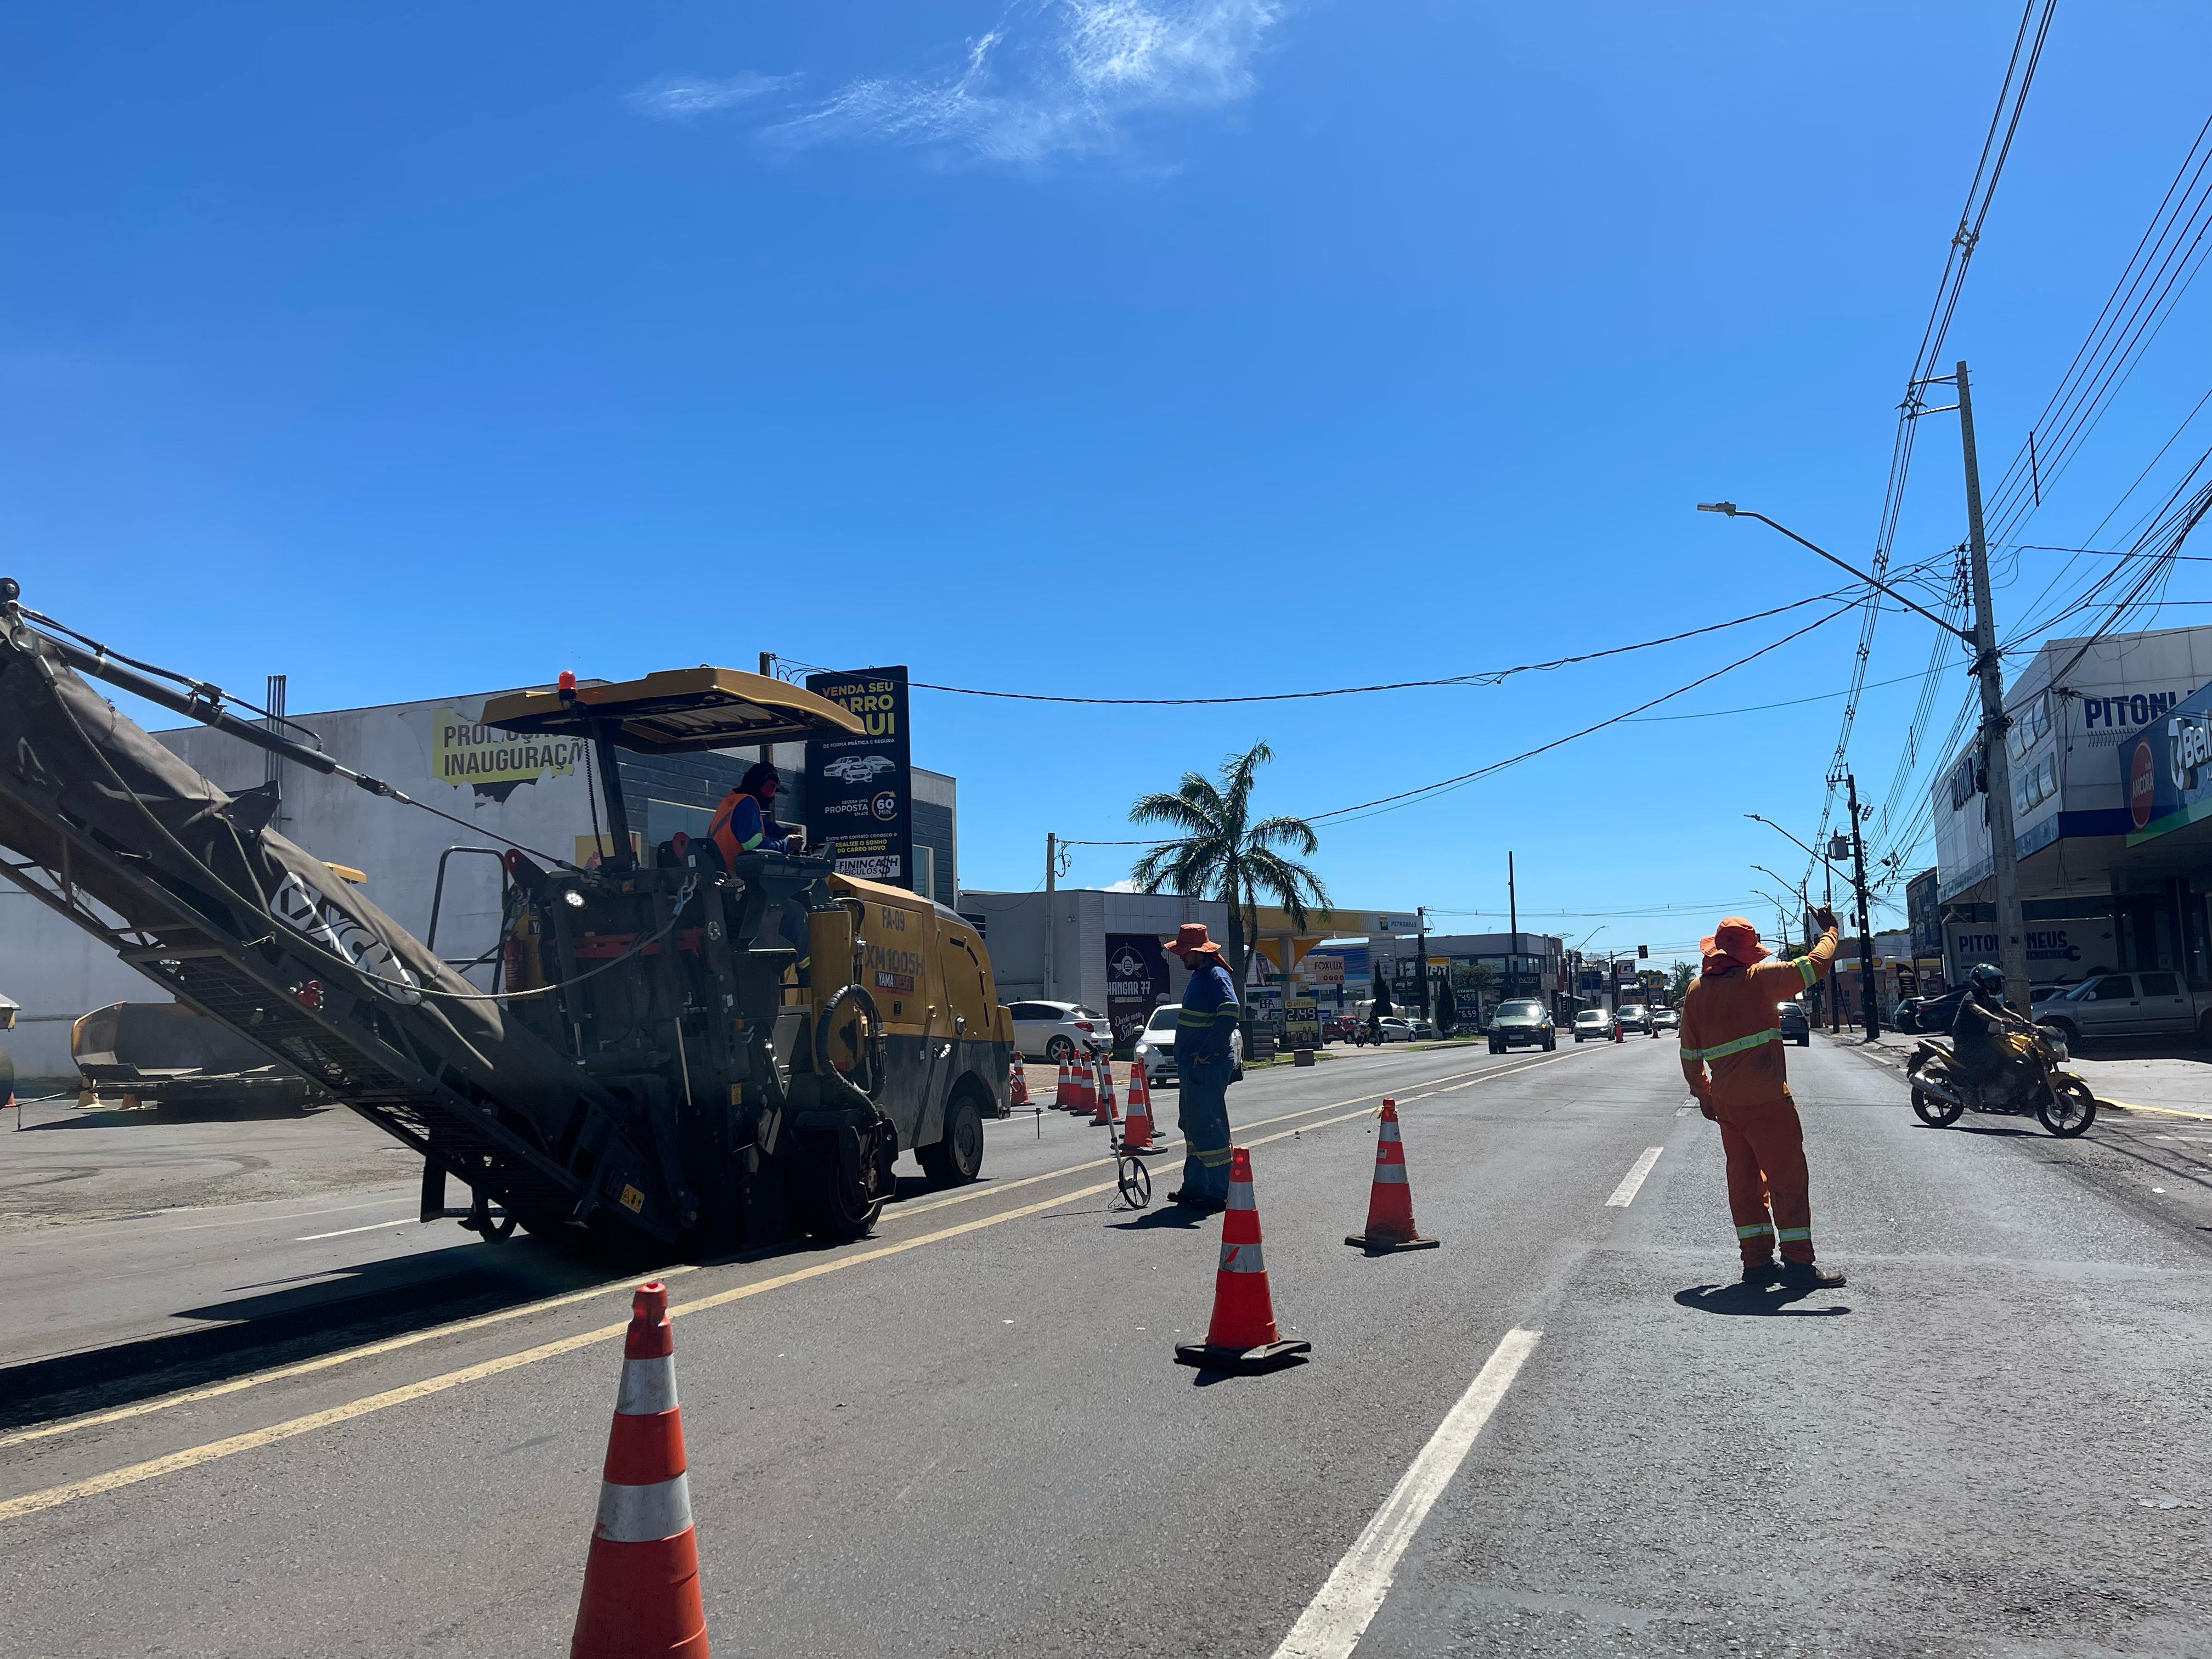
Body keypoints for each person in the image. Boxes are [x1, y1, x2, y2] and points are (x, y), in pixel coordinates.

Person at [1678, 910, 1845, 1290]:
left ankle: (1756, 1263)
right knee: (1787, 1177)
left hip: (1727, 1104)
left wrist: (1703, 1093)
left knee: (1743, 1179)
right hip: (1767, 1099)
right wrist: (1831, 931)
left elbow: (1690, 1054)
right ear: (1749, 952)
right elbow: (1816, 964)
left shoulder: (1696, 991)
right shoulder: (1760, 980)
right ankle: (1799, 1265)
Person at [1164, 922, 1240, 1211]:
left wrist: (1206, 1050)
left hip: (1206, 1066)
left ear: (1199, 952)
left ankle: (1220, 1190)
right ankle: (1196, 1186)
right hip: (1195, 1066)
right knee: (1194, 1125)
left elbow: (1230, 1011)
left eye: (1185, 952)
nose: (1181, 957)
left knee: (1208, 1126)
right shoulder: (1202, 975)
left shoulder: (1215, 975)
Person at [1949, 962, 2033, 1092]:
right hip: (1967, 1039)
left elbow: (2004, 1010)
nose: (1993, 985)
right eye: (1990, 982)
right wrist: (1999, 1020)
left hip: (1981, 1037)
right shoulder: (1971, 997)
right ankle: (1979, 1089)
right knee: (1993, 1059)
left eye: (1994, 982)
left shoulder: (1989, 998)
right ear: (1979, 982)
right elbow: (1980, 1012)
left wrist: (2027, 1022)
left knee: (2007, 1053)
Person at [708, 761, 804, 867]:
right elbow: (753, 845)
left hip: (722, 872)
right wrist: (786, 844)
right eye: (772, 789)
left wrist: (785, 832)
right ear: (763, 785)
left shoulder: (731, 801)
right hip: (737, 876)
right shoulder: (748, 804)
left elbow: (764, 825)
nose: (772, 798)